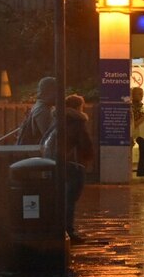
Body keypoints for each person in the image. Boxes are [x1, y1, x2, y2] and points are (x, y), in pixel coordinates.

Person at [63, 94, 95, 244]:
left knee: (65, 197)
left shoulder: (60, 119)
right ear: (78, 107)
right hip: (75, 163)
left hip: (63, 162)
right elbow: (85, 143)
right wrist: (88, 158)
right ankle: (69, 229)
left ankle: (65, 227)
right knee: (71, 198)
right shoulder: (78, 121)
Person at [18, 76, 56, 144]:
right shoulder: (42, 110)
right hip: (36, 152)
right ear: (49, 92)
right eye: (56, 91)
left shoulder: (44, 107)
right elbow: (50, 138)